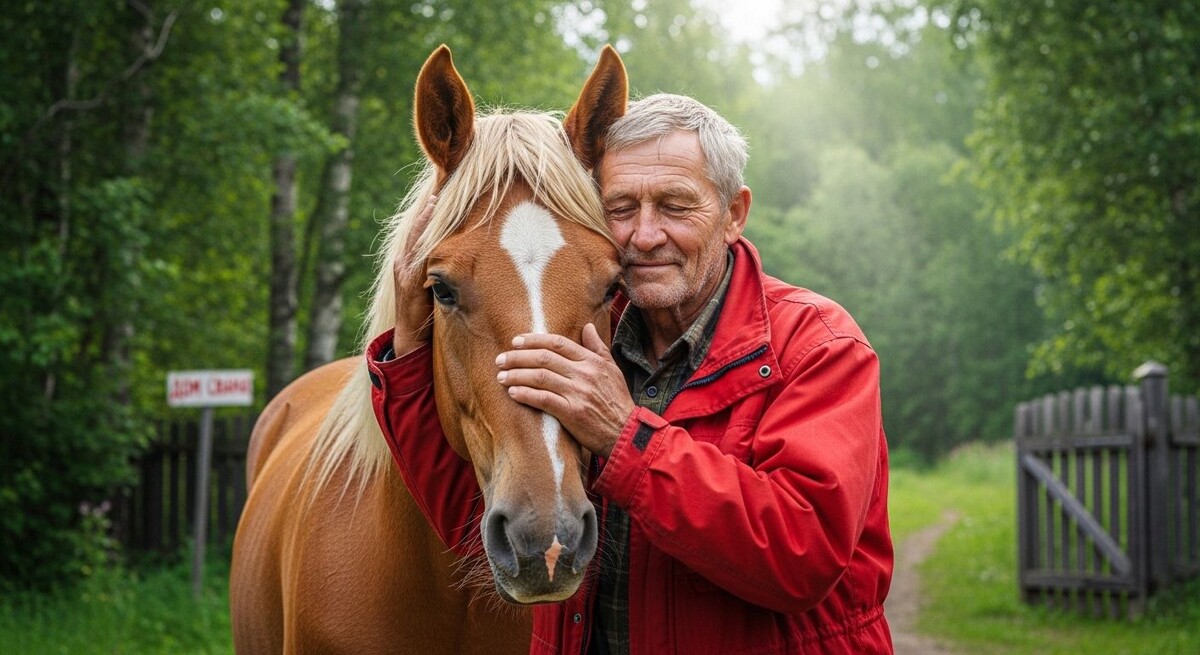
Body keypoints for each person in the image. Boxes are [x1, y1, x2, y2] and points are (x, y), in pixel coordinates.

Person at [365, 94, 893, 653]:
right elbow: (484, 520)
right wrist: (408, 353)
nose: (644, 235)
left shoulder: (818, 347)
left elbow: (802, 554)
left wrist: (625, 439)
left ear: (734, 215)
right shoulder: (594, 331)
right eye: (620, 208)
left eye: (675, 206)